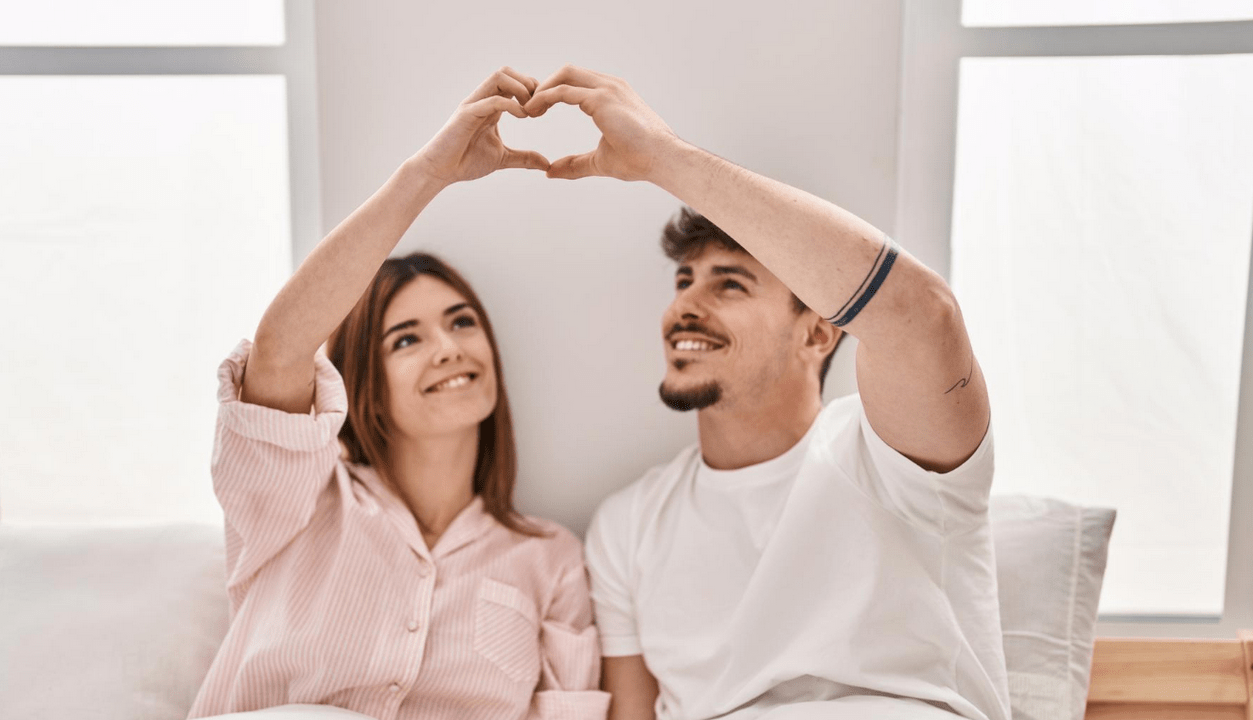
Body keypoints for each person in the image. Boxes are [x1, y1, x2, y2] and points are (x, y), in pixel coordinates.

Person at [521, 67, 1009, 719]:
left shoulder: (896, 457)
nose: (685, 305)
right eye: (683, 281)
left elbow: (923, 315)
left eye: (730, 284)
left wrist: (665, 158)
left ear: (818, 333)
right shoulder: (629, 526)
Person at [187, 68, 609, 720]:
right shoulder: (300, 501)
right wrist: (427, 176)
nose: (448, 347)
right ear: (366, 385)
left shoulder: (548, 559)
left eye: (462, 323)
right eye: (406, 339)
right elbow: (279, 351)